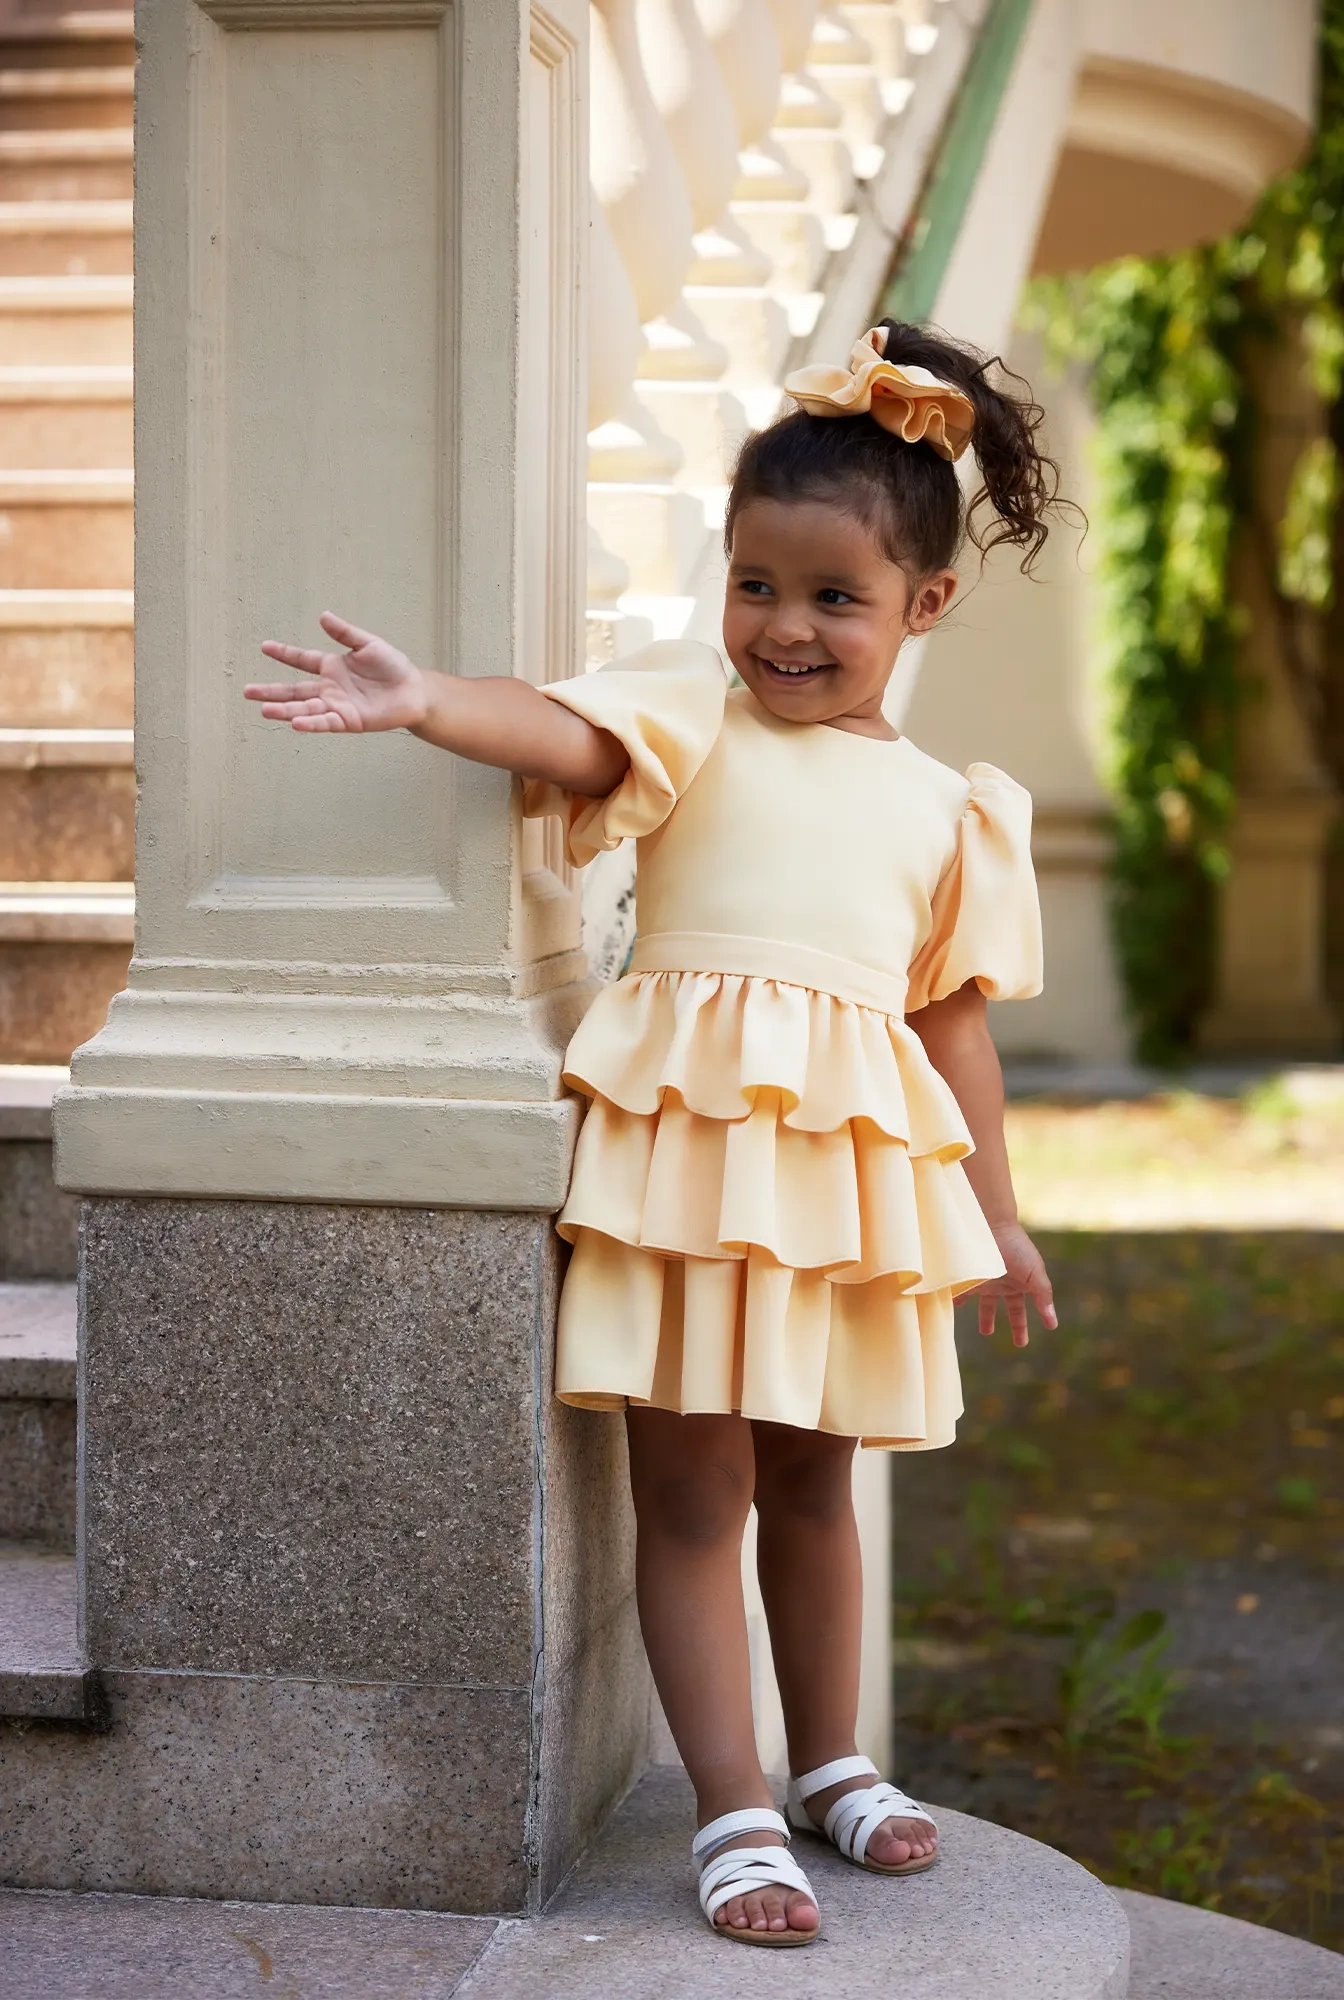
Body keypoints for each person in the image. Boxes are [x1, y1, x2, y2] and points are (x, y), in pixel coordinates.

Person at [246, 319, 1063, 1949]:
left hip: (839, 1186)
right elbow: (567, 735)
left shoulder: (952, 808)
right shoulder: (699, 714)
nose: (786, 626)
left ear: (924, 605)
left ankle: (833, 1763)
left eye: (834, 597)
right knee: (695, 1496)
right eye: (756, 584)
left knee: (817, 1484)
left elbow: (951, 1027)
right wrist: (427, 702)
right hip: (691, 1165)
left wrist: (1000, 1211)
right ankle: (733, 1808)